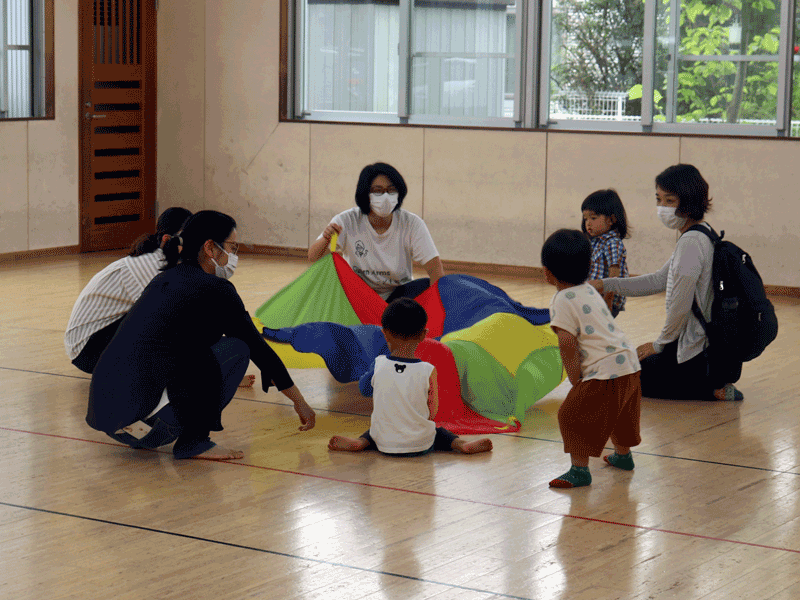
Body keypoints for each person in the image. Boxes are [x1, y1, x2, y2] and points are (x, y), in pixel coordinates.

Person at [86, 210, 316, 460]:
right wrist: (299, 401)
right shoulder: (218, 290)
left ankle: (165, 427)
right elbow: (258, 349)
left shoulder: (163, 279)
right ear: (210, 247)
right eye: (232, 246)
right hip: (151, 430)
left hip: (112, 426)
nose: (233, 255)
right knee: (236, 349)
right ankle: (194, 441)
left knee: (196, 347)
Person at [590, 164, 743, 401]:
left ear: (689, 201)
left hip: (696, 354)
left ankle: (710, 388)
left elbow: (679, 306)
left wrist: (659, 345)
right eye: (659, 199)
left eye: (669, 201)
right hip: (705, 349)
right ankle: (711, 381)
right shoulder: (702, 233)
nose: (662, 208)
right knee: (628, 366)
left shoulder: (692, 243)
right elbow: (658, 280)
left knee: (623, 379)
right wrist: (606, 284)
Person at [542, 229, 642, 489]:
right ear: (590, 266)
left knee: (571, 415)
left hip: (603, 369)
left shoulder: (562, 299)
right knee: (618, 414)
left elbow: (566, 341)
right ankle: (623, 455)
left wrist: (575, 377)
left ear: (547, 273)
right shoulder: (589, 291)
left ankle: (579, 470)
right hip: (629, 363)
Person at [327, 298, 492, 456]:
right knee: (438, 431)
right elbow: (432, 411)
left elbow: (364, 388)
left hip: (384, 441)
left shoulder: (378, 364)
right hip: (419, 443)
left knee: (377, 428)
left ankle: (361, 442)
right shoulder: (428, 370)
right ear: (423, 334)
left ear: (385, 334)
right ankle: (461, 444)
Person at [65, 207, 192, 374]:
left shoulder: (165, 261)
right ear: (168, 239)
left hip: (96, 341)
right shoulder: (152, 265)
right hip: (88, 350)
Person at [308, 162, 444, 301]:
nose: (385, 196)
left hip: (398, 297)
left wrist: (435, 307)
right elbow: (313, 257)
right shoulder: (347, 220)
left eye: (391, 190)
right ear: (365, 194)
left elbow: (435, 270)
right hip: (358, 296)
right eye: (378, 191)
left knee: (427, 286)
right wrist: (326, 239)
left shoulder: (412, 223)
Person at [581, 189, 630, 317]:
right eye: (585, 219)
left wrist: (607, 300)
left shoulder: (612, 242)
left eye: (593, 218)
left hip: (605, 301)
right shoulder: (594, 242)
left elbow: (614, 274)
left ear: (611, 219)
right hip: (593, 298)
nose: (588, 223)